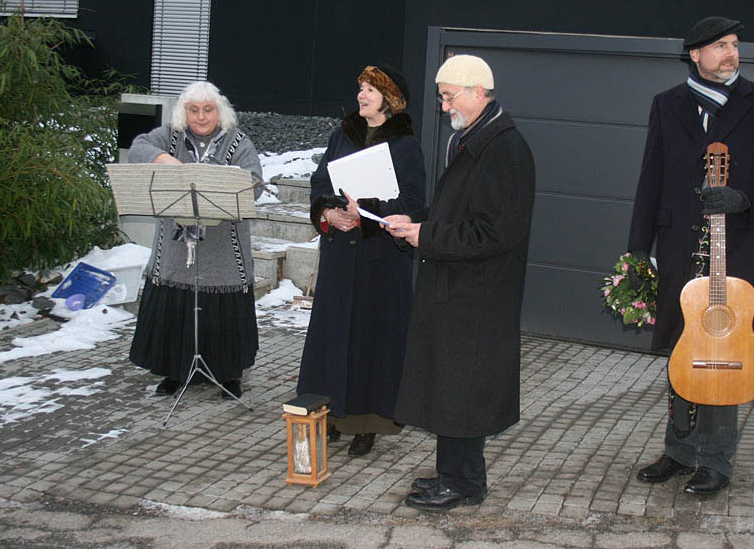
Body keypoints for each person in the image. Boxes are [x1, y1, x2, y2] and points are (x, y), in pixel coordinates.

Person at [628, 17, 754, 495]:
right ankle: (679, 450)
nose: (731, 53)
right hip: (678, 247)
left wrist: (745, 198)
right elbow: (650, 178)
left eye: (734, 44)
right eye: (720, 46)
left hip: (734, 251)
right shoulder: (668, 105)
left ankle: (716, 461)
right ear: (695, 55)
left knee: (724, 349)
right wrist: (638, 251)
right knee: (683, 350)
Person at [385, 54, 536, 511]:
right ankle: (452, 474)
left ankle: (466, 483)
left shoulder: (505, 149)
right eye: (442, 96)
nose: (444, 104)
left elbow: (495, 232)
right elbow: (456, 214)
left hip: (479, 296)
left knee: (463, 391)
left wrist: (425, 235)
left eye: (449, 96)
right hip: (457, 289)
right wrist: (412, 220)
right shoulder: (473, 138)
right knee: (451, 389)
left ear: (478, 92)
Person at [296, 64, 425, 457]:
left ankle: (368, 423)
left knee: (373, 340)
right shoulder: (342, 135)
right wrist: (329, 214)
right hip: (340, 257)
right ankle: (330, 415)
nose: (361, 95)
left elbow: (412, 203)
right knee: (332, 338)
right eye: (361, 89)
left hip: (380, 261)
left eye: (370, 89)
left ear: (390, 99)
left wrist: (364, 212)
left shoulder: (405, 146)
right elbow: (320, 185)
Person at [127, 81, 264, 399]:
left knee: (222, 312)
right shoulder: (168, 136)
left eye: (208, 109)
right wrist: (163, 159)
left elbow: (254, 183)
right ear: (183, 112)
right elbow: (138, 148)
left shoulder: (238, 141)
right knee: (176, 308)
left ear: (220, 111)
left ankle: (228, 375)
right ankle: (174, 372)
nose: (201, 117)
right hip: (175, 250)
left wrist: (226, 182)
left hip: (224, 251)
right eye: (193, 110)